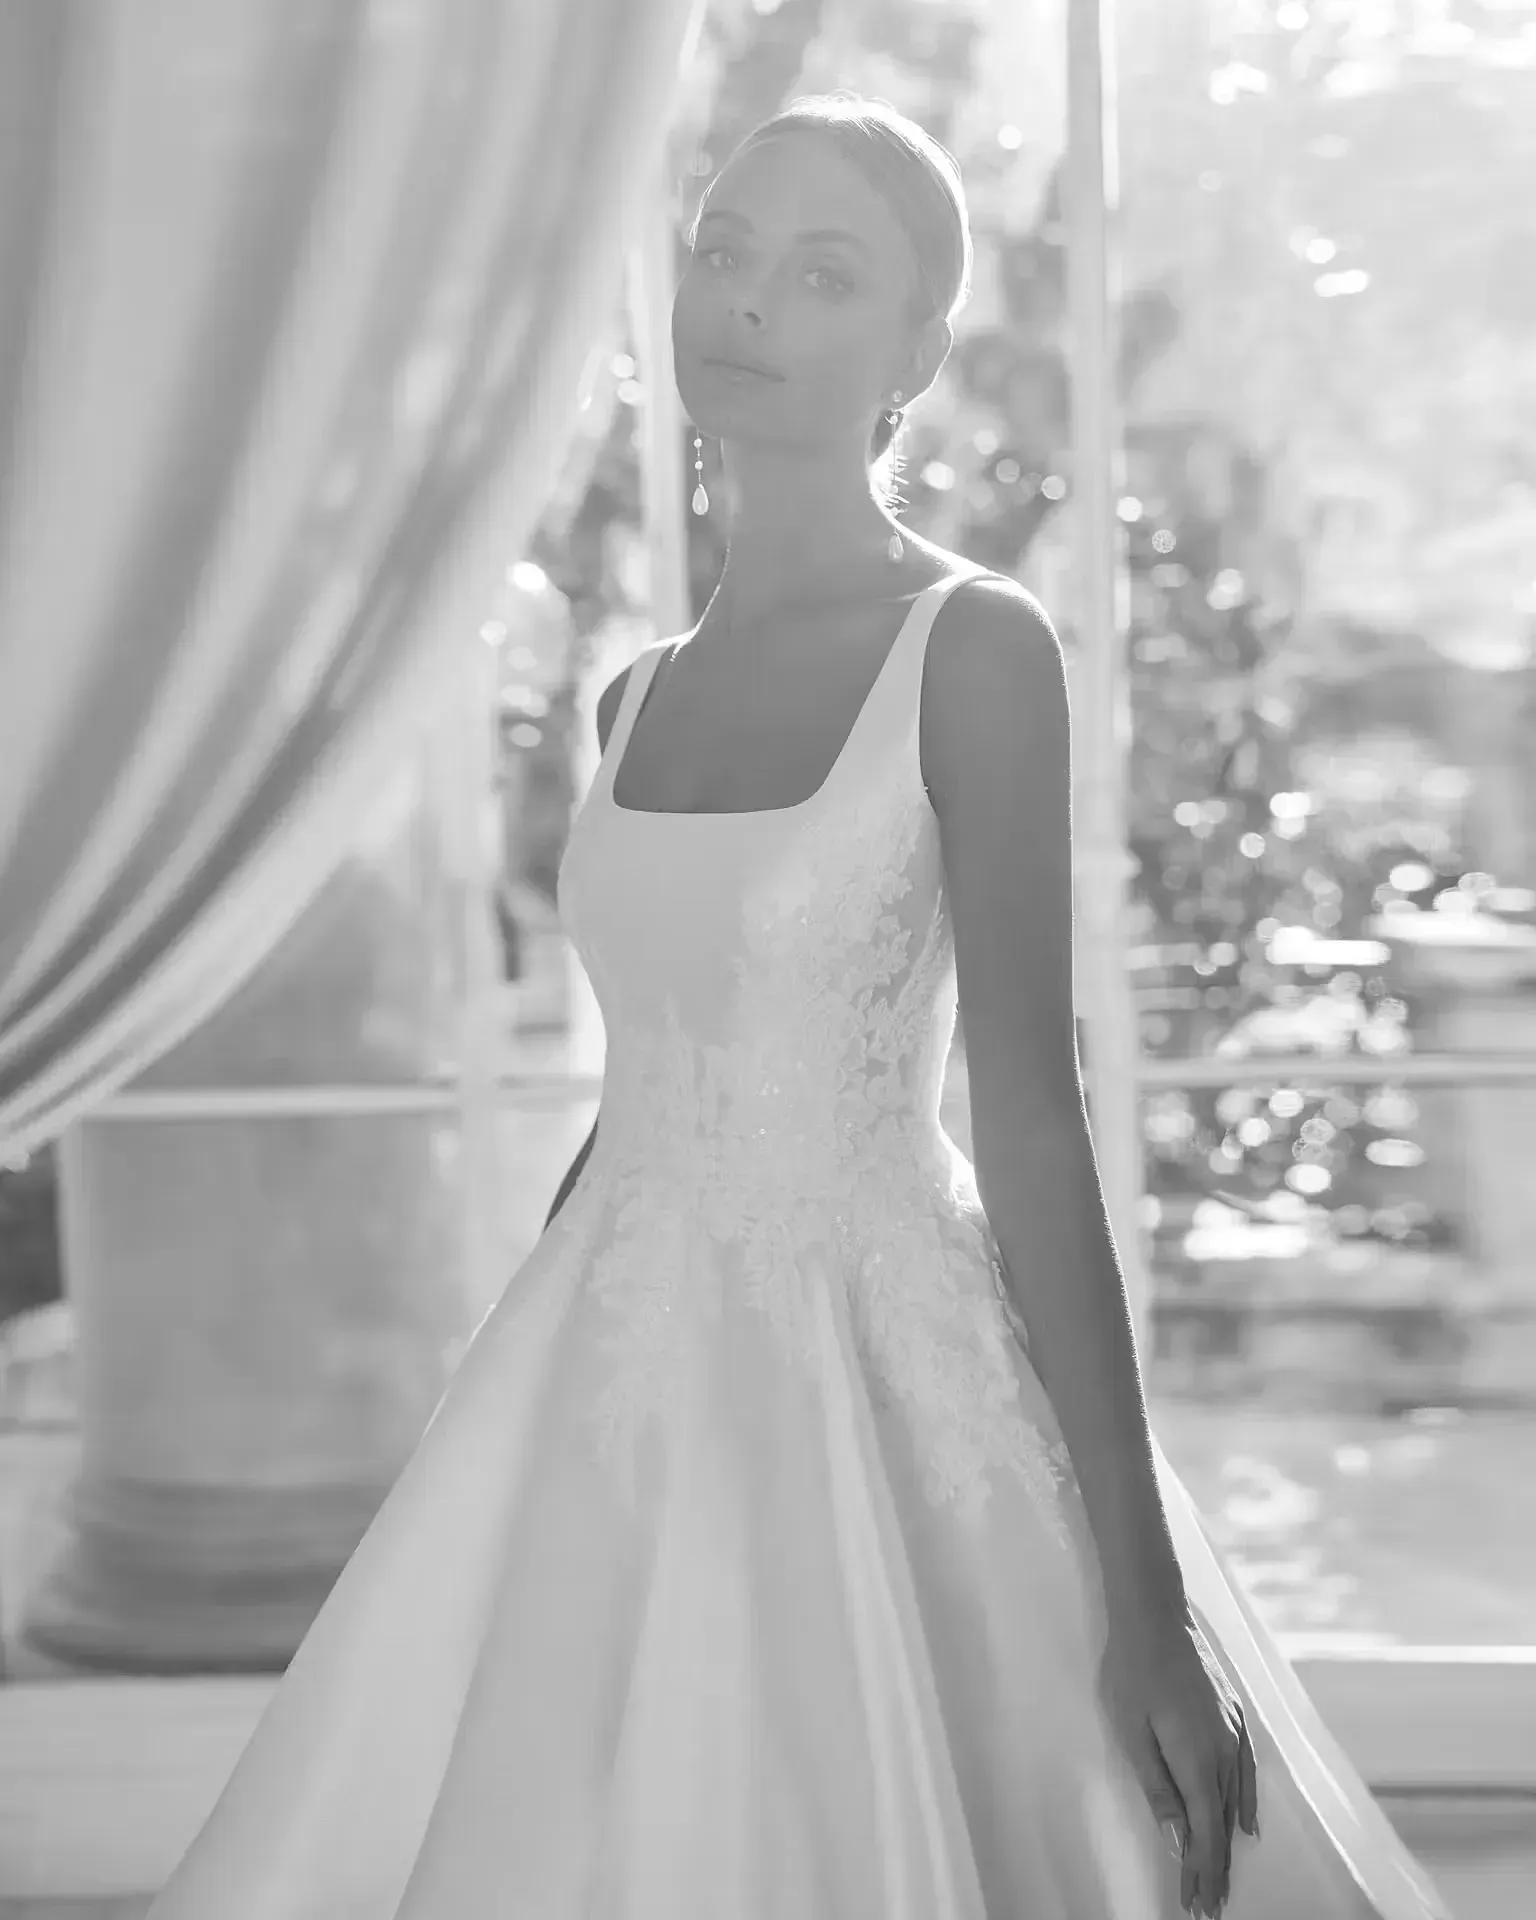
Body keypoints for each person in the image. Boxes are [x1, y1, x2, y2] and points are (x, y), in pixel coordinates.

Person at [147, 94, 1447, 1920]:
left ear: (914, 355)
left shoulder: (974, 651)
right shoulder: (631, 700)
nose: (745, 304)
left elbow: (1032, 1114)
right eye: (723, 252)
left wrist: (1142, 1604)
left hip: (878, 1356)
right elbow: (640, 1093)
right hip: (602, 1372)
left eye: (821, 274)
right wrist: (507, 1405)